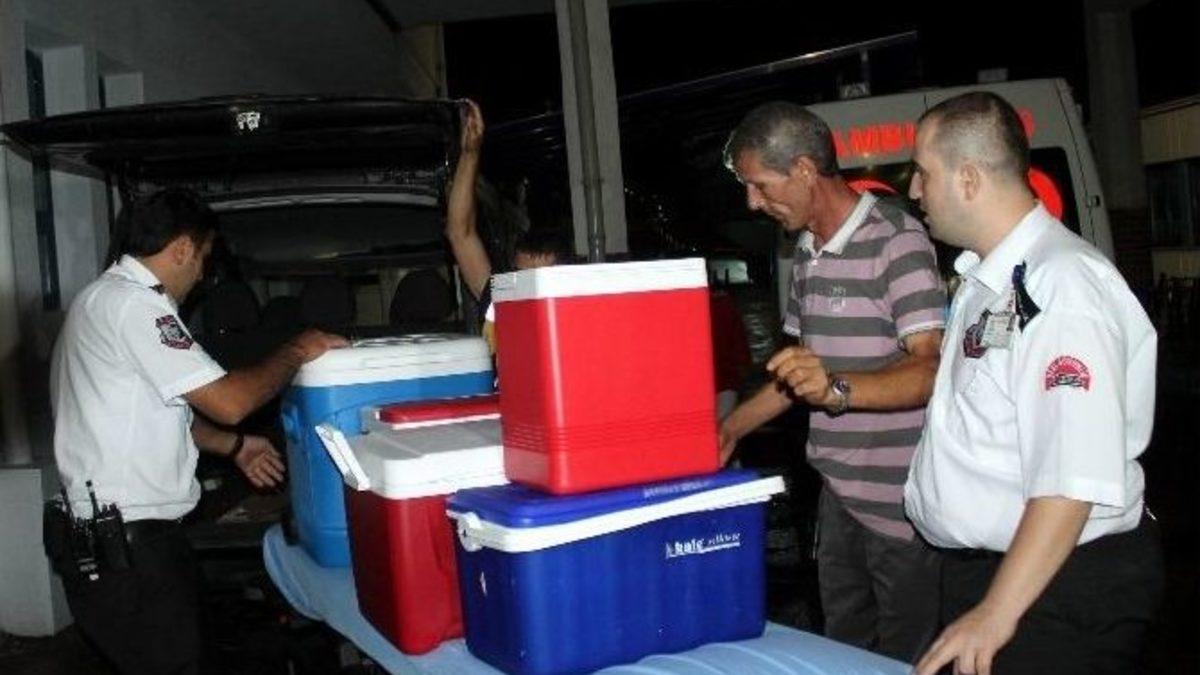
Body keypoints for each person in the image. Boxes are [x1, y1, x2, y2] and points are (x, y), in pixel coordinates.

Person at [904, 92, 1164, 675]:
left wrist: (997, 611)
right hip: (1005, 576)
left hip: (1054, 587)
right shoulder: (988, 279)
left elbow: (1072, 476)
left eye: (923, 172)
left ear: (969, 179)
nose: (915, 190)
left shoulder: (1062, 286)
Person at [47, 188, 347, 675]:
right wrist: (297, 350)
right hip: (130, 547)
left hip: (115, 543)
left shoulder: (99, 300)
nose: (203, 274)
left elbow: (162, 416)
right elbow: (230, 403)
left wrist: (236, 447)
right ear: (183, 248)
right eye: (204, 258)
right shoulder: (134, 305)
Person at [718, 102, 946, 662]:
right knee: (844, 653)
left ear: (803, 170)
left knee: (906, 660)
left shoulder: (896, 240)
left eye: (760, 185)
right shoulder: (806, 250)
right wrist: (729, 428)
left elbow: (931, 368)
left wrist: (836, 391)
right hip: (837, 498)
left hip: (900, 508)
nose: (752, 202)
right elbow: (801, 371)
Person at [445, 100, 566, 352]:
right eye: (522, 277)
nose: (528, 289)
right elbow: (460, 233)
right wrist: (470, 154)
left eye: (540, 279)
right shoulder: (500, 301)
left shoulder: (579, 320)